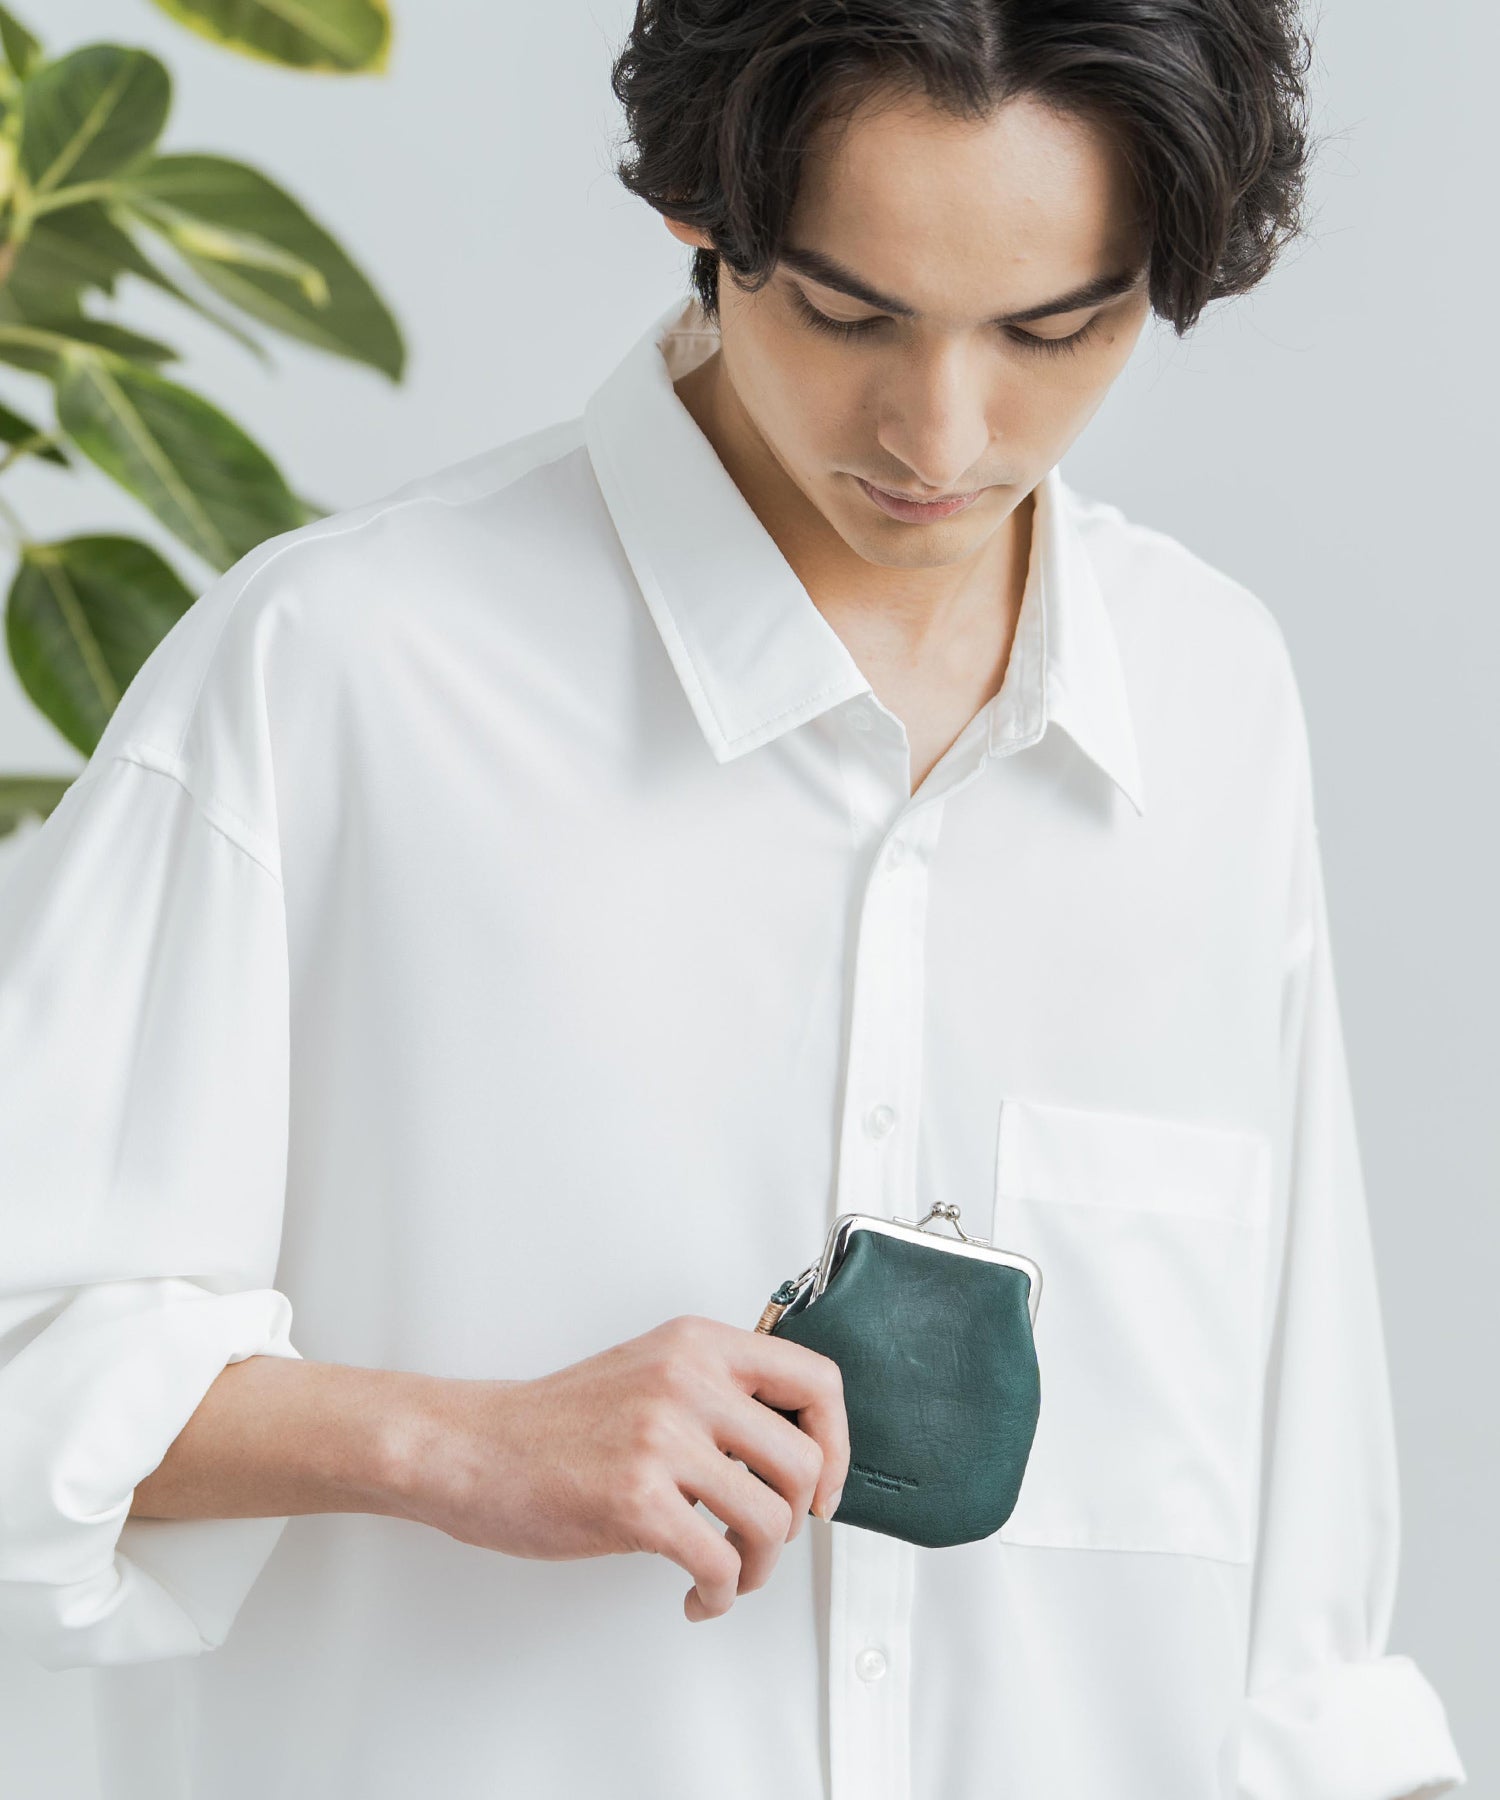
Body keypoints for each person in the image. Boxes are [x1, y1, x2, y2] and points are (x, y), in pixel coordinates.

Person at [0, 1, 1469, 1796]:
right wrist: (452, 1444)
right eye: (851, 313)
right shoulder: (341, 678)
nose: (941, 431)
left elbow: (1298, 1583)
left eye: (1052, 329)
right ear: (702, 210)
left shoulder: (1213, 696)